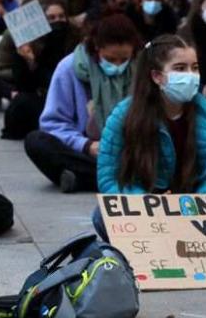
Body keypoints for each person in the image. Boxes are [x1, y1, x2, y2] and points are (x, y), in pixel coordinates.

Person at [95, 35, 206, 240]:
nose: (191, 76)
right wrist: (150, 204)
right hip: (144, 206)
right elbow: (108, 177)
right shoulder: (123, 116)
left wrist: (198, 203)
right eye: (180, 68)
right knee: (100, 217)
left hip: (191, 209)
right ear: (157, 76)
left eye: (195, 68)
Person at [25, 14, 141, 193]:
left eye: (124, 59)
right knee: (36, 141)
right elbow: (53, 123)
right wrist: (86, 145)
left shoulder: (141, 68)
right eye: (110, 59)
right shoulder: (69, 67)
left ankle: (82, 178)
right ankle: (115, 179)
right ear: (96, 48)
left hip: (130, 151)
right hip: (87, 150)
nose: (118, 66)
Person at [0, 0, 81, 139]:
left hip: (68, 99)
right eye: (51, 18)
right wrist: (27, 61)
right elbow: (23, 83)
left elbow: (59, 80)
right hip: (38, 94)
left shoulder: (74, 39)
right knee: (18, 102)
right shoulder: (29, 41)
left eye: (61, 17)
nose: (57, 22)